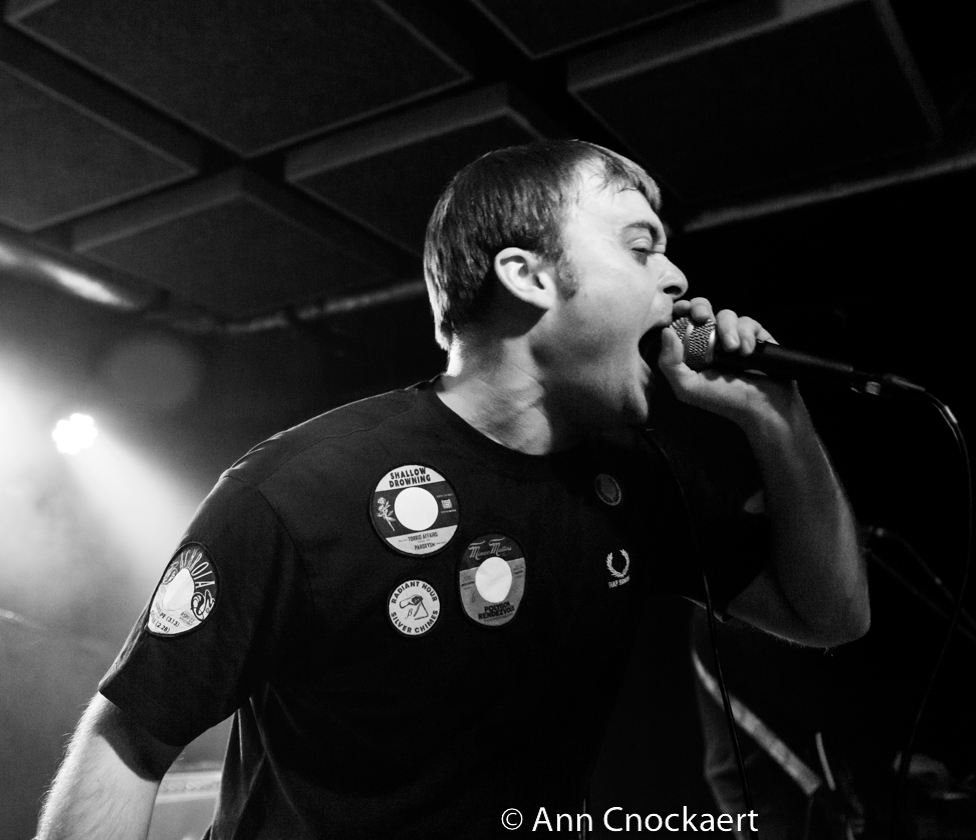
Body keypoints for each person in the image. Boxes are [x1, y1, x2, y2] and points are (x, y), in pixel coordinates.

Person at [36, 140, 869, 839]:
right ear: (528, 275)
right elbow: (130, 740)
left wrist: (779, 421)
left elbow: (829, 615)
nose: (678, 277)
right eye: (641, 246)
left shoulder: (637, 485)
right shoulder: (298, 489)